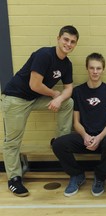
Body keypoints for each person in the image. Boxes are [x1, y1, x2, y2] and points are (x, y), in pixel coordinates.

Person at [1, 25, 79, 197]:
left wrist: (59, 98)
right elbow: (34, 85)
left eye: (72, 42)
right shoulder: (45, 55)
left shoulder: (67, 64)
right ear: (58, 38)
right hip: (16, 98)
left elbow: (69, 89)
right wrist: (53, 94)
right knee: (12, 141)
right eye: (66, 39)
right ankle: (14, 179)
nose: (68, 44)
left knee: (68, 102)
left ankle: (60, 143)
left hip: (35, 98)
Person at [52, 53, 106, 197]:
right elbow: (76, 122)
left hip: (103, 138)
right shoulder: (77, 92)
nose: (95, 71)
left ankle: (100, 176)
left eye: (98, 68)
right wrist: (85, 136)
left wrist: (99, 138)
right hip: (84, 137)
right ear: (87, 69)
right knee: (58, 144)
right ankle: (77, 175)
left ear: (103, 70)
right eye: (92, 68)